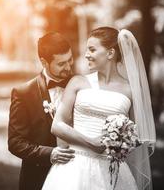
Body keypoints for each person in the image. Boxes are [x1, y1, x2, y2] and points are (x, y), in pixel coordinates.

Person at [42, 27, 156, 190]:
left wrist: (121, 141)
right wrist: (91, 143)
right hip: (75, 167)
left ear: (110, 53)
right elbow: (57, 125)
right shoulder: (77, 82)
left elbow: (137, 136)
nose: (87, 54)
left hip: (112, 170)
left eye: (92, 49)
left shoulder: (130, 91)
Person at [8, 32, 75, 190]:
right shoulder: (23, 93)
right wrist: (50, 154)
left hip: (78, 174)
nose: (68, 67)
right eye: (61, 63)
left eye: (70, 59)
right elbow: (15, 142)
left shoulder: (81, 86)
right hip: (39, 178)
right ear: (44, 62)